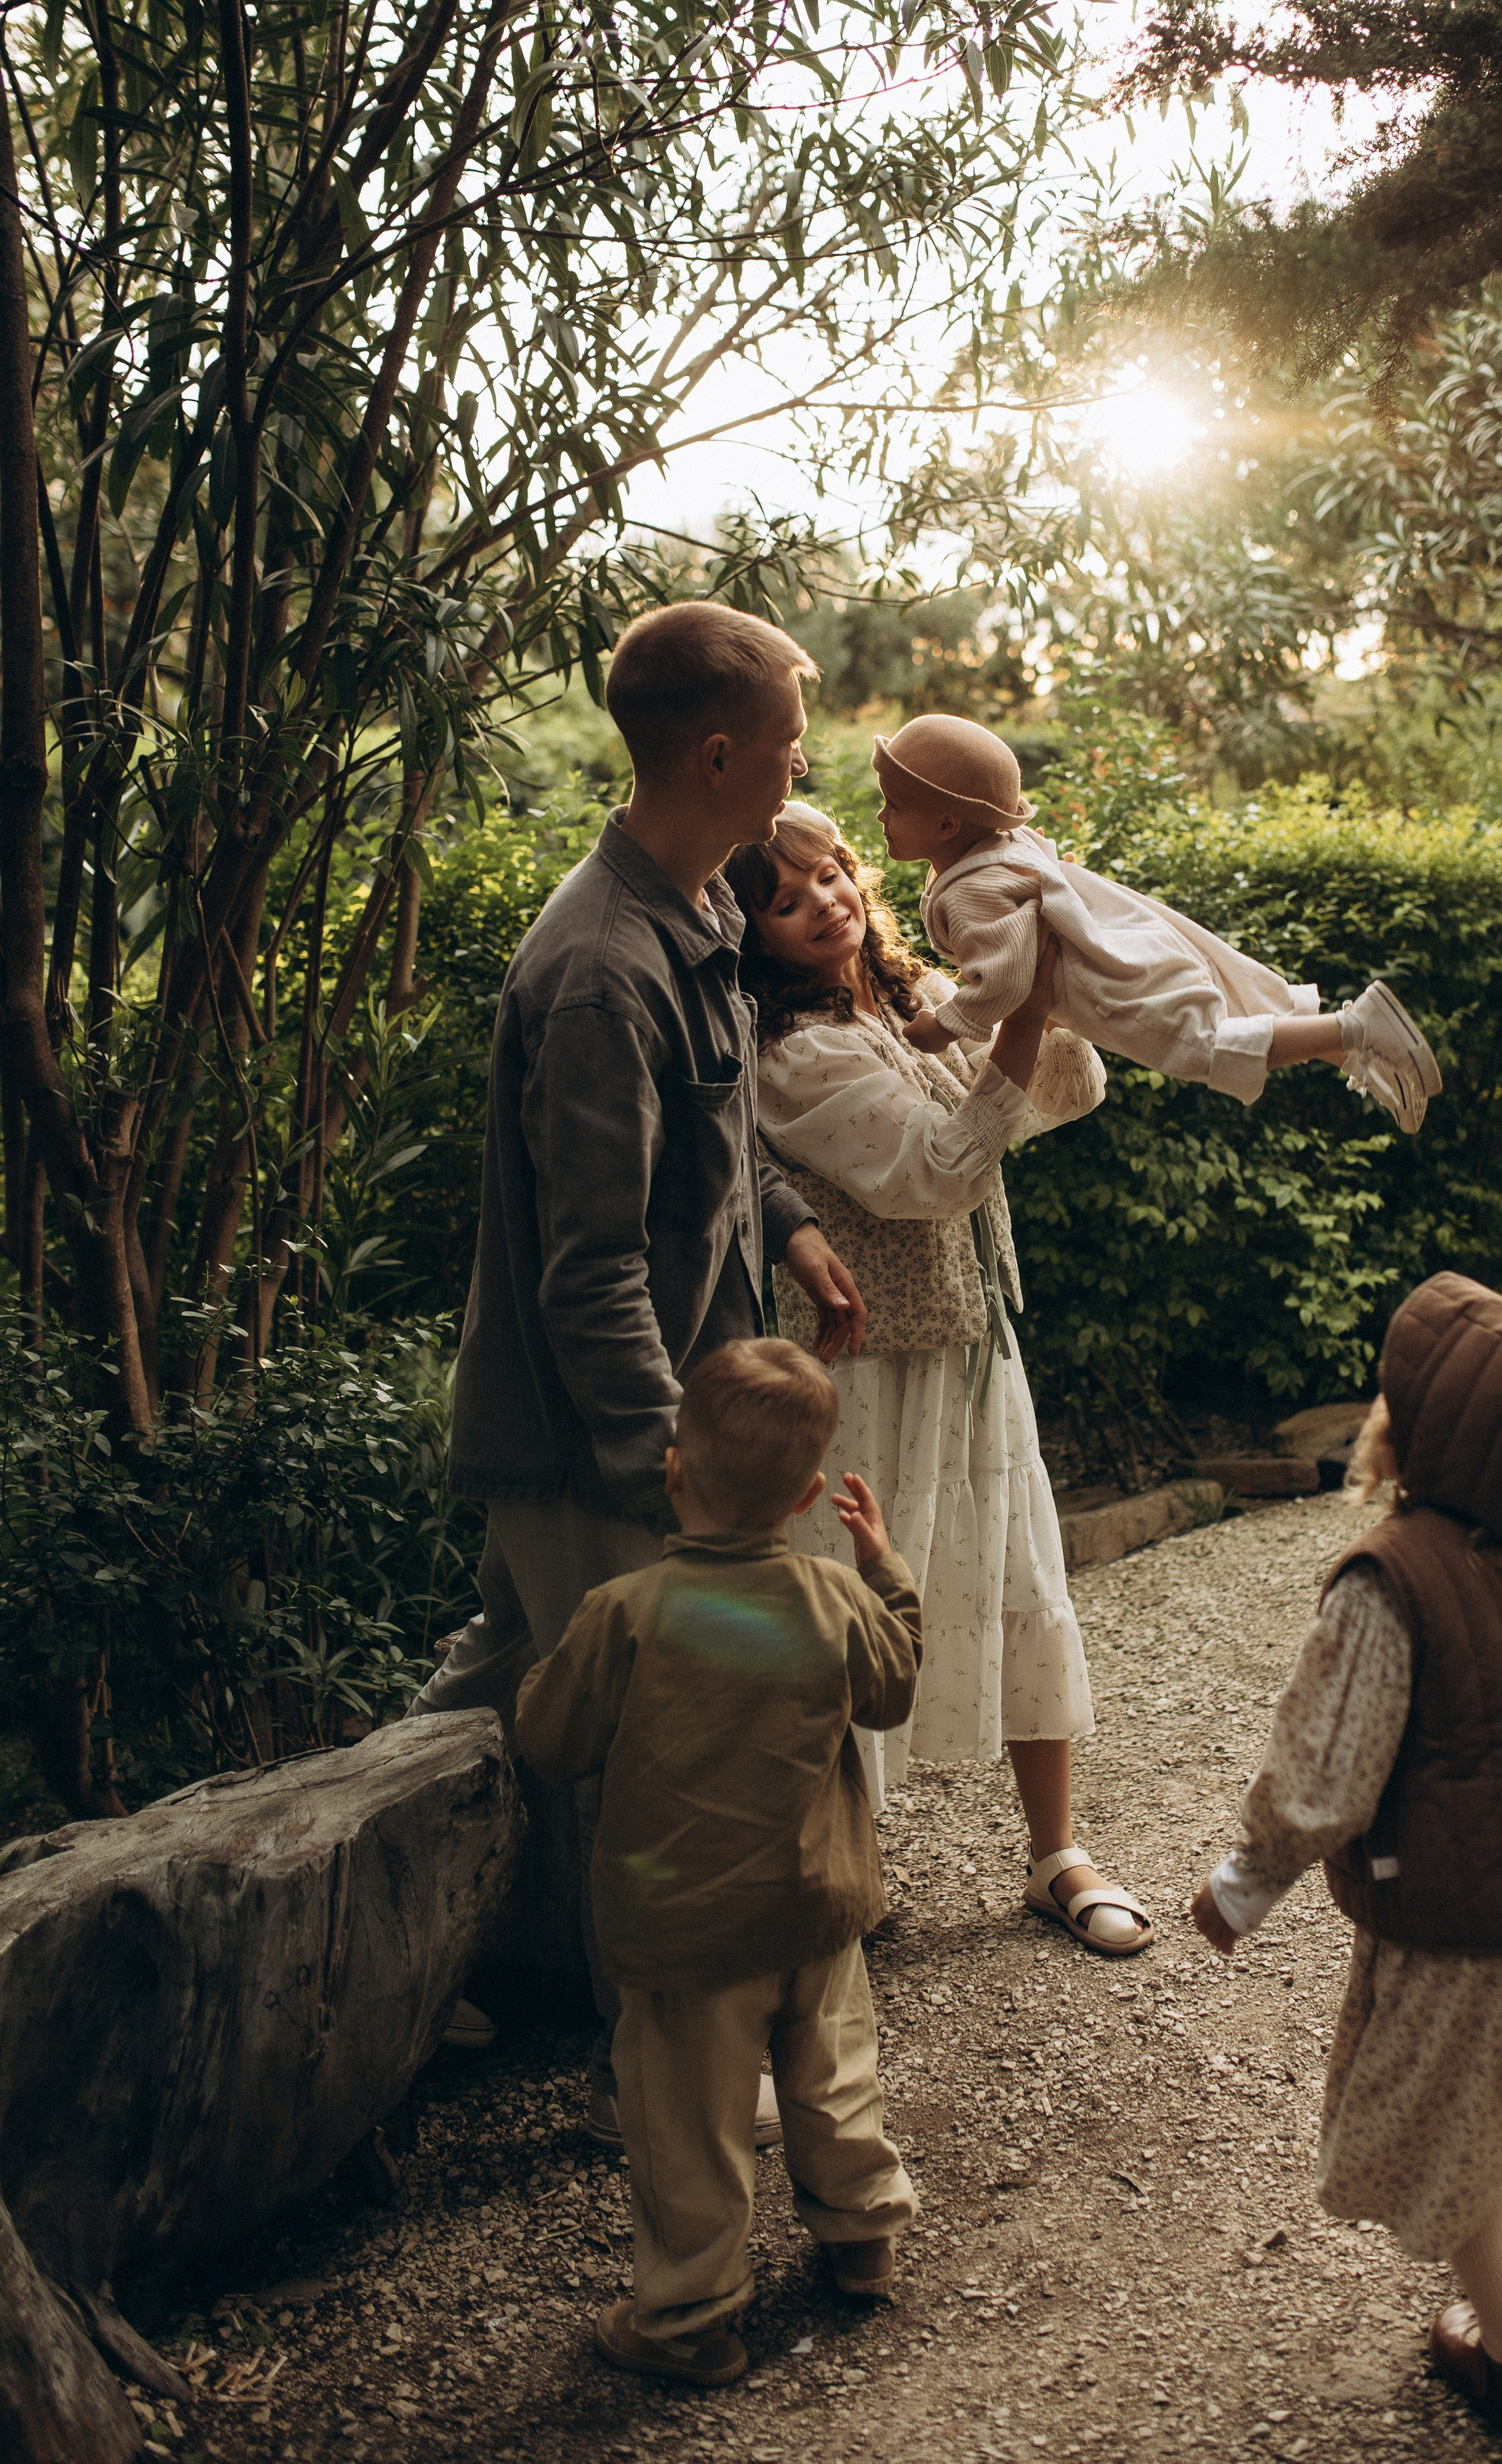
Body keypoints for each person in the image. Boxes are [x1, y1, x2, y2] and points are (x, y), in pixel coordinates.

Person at [418, 602, 867, 2144]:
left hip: (651, 1421)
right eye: (794, 743)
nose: (808, 767)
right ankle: (661, 2074)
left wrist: (794, 1232)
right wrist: (669, 1482)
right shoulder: (604, 968)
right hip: (597, 1443)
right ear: (723, 753)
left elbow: (720, 1150)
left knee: (489, 1695)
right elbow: (592, 1268)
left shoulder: (698, 914)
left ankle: (399, 1963)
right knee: (634, 1752)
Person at [1190, 1271, 1502, 2445]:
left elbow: (1326, 1773)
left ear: (1419, 1436)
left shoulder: (1392, 1580)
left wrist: (1245, 1882)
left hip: (1467, 1933)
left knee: (1444, 2122)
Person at [729, 800, 1153, 1960]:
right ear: (752, 933)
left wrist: (1028, 983)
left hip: (973, 1337)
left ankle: (1055, 1854)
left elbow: (1071, 1093)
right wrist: (1015, 1006)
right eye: (786, 897)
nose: (825, 901)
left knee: (1020, 1575)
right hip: (866, 1368)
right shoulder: (792, 1055)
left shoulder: (911, 999)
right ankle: (835, 1881)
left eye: (830, 875)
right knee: (855, 1605)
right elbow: (938, 1172)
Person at [514, 1337, 922, 2389]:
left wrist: (531, 1680)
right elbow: (895, 1686)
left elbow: (551, 1742)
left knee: (688, 2129)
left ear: (674, 1472)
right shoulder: (835, 1602)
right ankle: (862, 2235)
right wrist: (886, 1569)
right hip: (817, 1911)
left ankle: (689, 2317)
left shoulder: (626, 1614)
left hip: (685, 1934)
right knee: (834, 2082)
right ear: (805, 1501)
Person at [872, 713, 1440, 1128]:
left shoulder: (969, 892)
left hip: (1110, 983)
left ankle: (1358, 1028)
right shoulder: (1002, 844)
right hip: (1131, 937)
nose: (881, 815)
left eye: (894, 805)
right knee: (1233, 993)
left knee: (1206, 1047)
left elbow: (1007, 980)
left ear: (948, 826)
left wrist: (943, 1025)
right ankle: (1347, 1047)